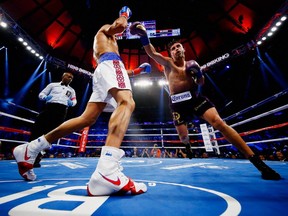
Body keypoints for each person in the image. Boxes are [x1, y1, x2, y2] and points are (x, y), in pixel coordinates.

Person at [13, 6, 150, 195]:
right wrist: (125, 16)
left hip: (104, 70)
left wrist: (137, 71)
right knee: (127, 102)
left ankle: (32, 147)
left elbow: (119, 71)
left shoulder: (106, 44)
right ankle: (107, 171)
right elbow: (118, 26)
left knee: (87, 119)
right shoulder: (105, 30)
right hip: (110, 66)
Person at [129, 22, 281, 180]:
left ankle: (258, 163)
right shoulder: (168, 63)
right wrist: (144, 36)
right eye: (173, 49)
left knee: (219, 123)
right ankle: (187, 146)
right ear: (171, 53)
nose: (176, 50)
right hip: (177, 104)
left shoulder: (192, 64)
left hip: (195, 98)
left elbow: (200, 83)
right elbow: (152, 53)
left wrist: (199, 75)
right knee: (183, 137)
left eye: (178, 47)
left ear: (183, 49)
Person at [30, 72, 77, 167]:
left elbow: (74, 100)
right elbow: (41, 93)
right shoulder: (53, 85)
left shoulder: (71, 90)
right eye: (68, 76)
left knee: (51, 134)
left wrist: (72, 103)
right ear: (63, 76)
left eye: (71, 78)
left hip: (62, 111)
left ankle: (37, 159)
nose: (70, 78)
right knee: (38, 130)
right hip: (49, 107)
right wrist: (45, 97)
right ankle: (29, 154)